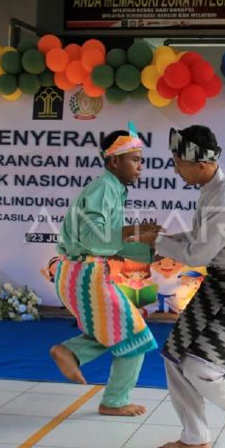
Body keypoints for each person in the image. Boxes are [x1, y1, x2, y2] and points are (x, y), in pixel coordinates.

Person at [152, 125, 225, 448]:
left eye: (178, 162)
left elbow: (199, 254)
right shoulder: (211, 189)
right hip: (220, 282)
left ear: (200, 165)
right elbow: (201, 239)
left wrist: (159, 242)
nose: (175, 168)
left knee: (200, 366)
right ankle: (194, 436)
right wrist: (163, 240)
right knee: (174, 356)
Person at [49, 125, 162, 417]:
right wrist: (136, 233)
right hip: (84, 275)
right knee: (136, 337)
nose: (141, 166)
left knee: (115, 330)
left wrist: (149, 249)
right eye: (135, 159)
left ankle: (70, 352)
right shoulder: (103, 189)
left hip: (83, 273)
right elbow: (93, 240)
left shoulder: (112, 189)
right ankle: (114, 401)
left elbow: (108, 243)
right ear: (114, 161)